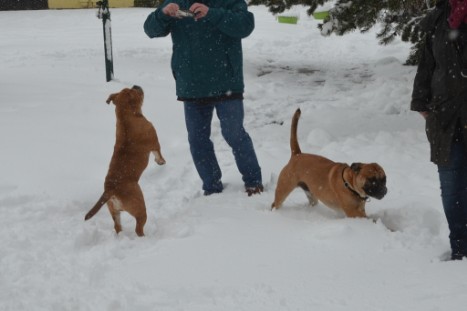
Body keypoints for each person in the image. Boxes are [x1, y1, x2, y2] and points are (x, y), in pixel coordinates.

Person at [143, 0, 263, 196]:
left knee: (234, 133)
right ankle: (211, 186)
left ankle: (253, 182)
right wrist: (163, 14)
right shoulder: (177, 1)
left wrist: (212, 13)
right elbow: (150, 30)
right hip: (191, 84)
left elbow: (245, 26)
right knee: (198, 140)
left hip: (227, 82)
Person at [411, 0, 467, 260]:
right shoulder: (439, 19)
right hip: (445, 116)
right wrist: (421, 101)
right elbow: (427, 62)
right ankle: (460, 246)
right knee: (452, 185)